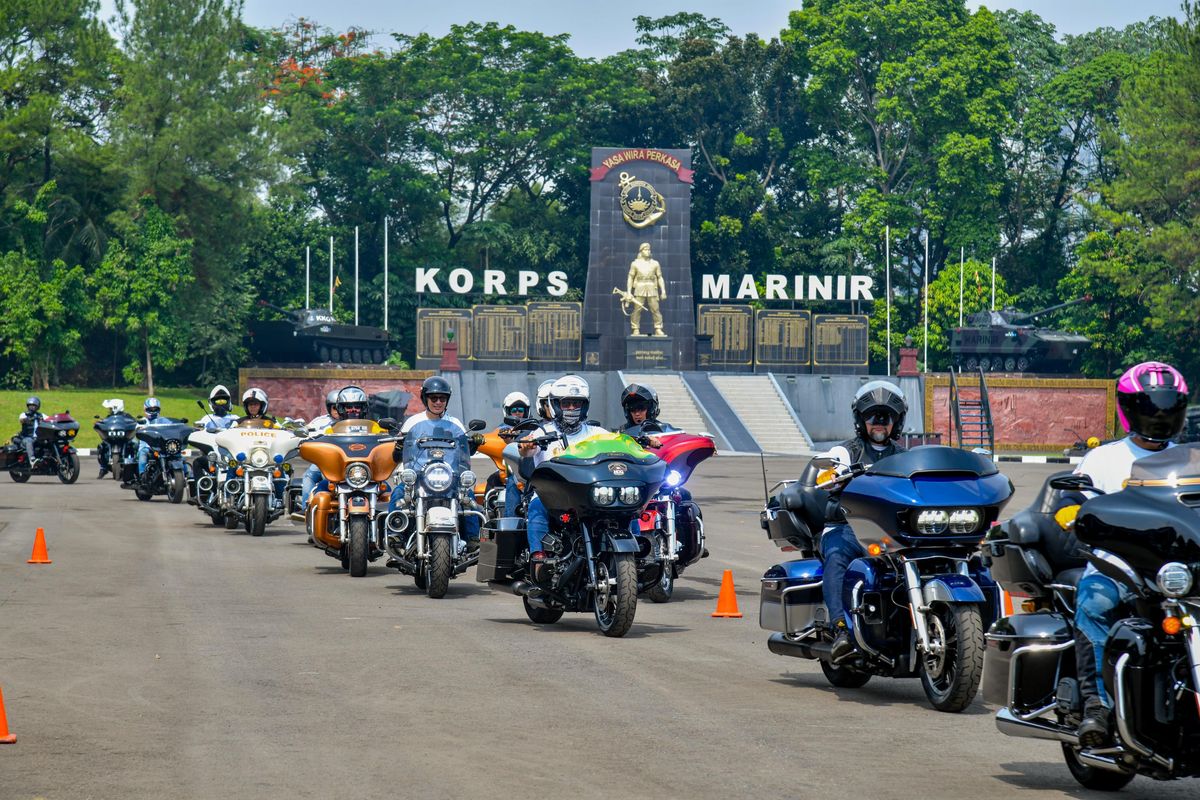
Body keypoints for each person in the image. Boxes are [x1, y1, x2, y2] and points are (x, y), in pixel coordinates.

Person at [1072, 361, 1189, 747]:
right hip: (1118, 570)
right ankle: (1097, 706)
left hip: (1178, 574)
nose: (1159, 415)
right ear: (1129, 408)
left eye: (1168, 407)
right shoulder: (1102, 460)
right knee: (1093, 604)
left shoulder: (1191, 460)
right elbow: (1076, 507)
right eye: (1150, 406)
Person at [820, 381, 909, 663]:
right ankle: (841, 630)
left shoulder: (907, 458)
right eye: (873, 417)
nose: (880, 423)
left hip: (891, 531)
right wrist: (830, 478)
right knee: (837, 557)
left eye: (887, 417)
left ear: (897, 421)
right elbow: (825, 478)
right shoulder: (846, 452)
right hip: (849, 527)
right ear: (861, 420)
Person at [518, 375, 609, 578]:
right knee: (536, 505)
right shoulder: (542, 431)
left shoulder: (596, 432)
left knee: (625, 509)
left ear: (584, 406)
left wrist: (638, 445)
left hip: (588, 496)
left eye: (576, 403)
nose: (571, 408)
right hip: (553, 496)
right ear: (556, 405)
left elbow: (619, 444)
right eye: (566, 403)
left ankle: (636, 555)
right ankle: (539, 559)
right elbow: (527, 451)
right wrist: (525, 447)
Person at [495, 391, 531, 517]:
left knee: (513, 481)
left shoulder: (534, 428)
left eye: (520, 409)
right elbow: (491, 439)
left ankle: (511, 522)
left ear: (526, 411)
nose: (517, 412)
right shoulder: (502, 429)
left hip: (528, 472)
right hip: (507, 470)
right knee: (489, 484)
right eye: (514, 409)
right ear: (508, 411)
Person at [135, 397, 173, 477]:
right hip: (147, 447)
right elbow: (137, 429)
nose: (153, 412)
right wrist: (140, 428)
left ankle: (186, 476)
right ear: (145, 409)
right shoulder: (143, 421)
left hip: (163, 447)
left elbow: (171, 425)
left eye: (155, 409)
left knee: (178, 456)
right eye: (150, 410)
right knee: (143, 455)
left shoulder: (164, 421)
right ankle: (142, 476)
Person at [18, 396, 43, 467]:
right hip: (26, 438)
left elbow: (49, 419)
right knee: (29, 441)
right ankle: (32, 460)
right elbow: (21, 419)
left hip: (38, 438)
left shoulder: (41, 415)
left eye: (34, 406)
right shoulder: (24, 414)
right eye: (30, 406)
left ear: (37, 406)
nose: (31, 407)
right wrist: (28, 419)